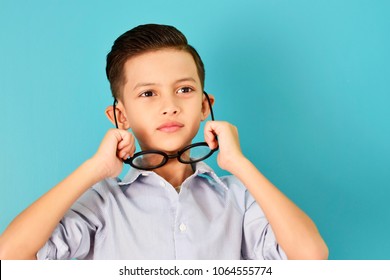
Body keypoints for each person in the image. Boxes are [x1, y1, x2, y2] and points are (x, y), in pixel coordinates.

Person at [0, 24, 328, 260]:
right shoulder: (103, 201)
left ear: (204, 106)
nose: (169, 105)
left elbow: (311, 257)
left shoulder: (238, 198)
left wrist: (240, 165)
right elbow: (10, 256)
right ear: (120, 117)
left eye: (184, 89)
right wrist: (94, 169)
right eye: (148, 93)